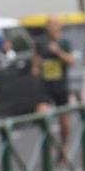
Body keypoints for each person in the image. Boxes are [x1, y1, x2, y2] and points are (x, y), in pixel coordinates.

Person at [33, 20, 75, 155]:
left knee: (64, 123)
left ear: (59, 27)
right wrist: (35, 68)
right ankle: (54, 144)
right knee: (41, 116)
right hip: (46, 87)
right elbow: (36, 59)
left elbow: (71, 61)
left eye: (54, 26)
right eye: (49, 26)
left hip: (61, 87)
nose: (51, 28)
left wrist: (58, 52)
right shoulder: (40, 43)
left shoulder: (64, 43)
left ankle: (63, 146)